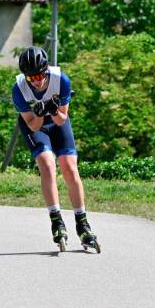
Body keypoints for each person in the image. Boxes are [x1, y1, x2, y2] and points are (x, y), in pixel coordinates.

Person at [11, 46, 99, 252]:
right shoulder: (19, 89)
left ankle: (82, 223)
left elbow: (61, 119)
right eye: (31, 78)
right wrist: (40, 112)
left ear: (47, 69)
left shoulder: (62, 80)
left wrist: (52, 109)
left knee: (69, 167)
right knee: (47, 165)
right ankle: (56, 220)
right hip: (35, 124)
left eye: (40, 75)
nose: (37, 80)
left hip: (57, 122)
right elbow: (33, 125)